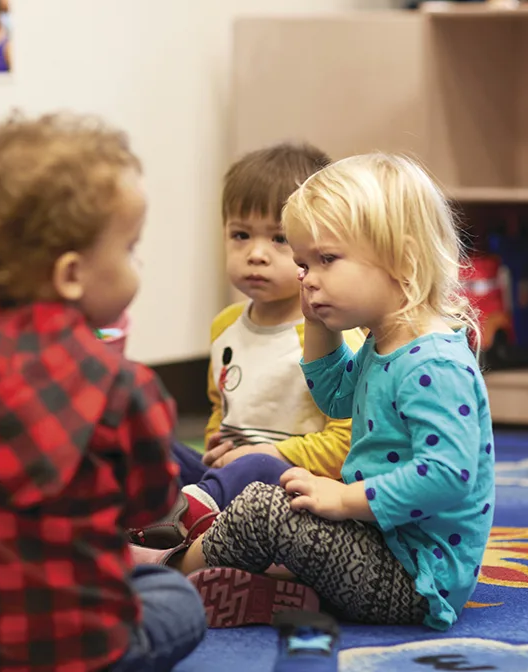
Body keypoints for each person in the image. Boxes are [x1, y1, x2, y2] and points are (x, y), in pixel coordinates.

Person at [0, 113, 206, 671]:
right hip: (78, 650)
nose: (137, 264)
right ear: (72, 274)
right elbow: (150, 503)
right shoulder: (123, 387)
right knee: (175, 596)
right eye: (129, 248)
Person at [139, 152, 495, 632]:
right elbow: (335, 398)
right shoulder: (386, 341)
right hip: (377, 541)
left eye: (326, 260)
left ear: (403, 259)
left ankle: (161, 574)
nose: (308, 278)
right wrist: (317, 324)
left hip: (414, 578)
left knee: (265, 509)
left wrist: (345, 501)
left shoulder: (432, 362)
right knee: (278, 500)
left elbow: (446, 475)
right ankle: (260, 585)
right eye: (304, 264)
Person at [131, 143, 363, 551]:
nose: (255, 254)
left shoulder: (335, 332)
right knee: (151, 443)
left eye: (279, 239)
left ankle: (175, 537)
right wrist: (218, 445)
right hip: (227, 479)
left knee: (256, 464)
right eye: (240, 235)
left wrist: (267, 452)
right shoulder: (225, 326)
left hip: (296, 489)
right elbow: (222, 406)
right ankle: (150, 523)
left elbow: (349, 442)